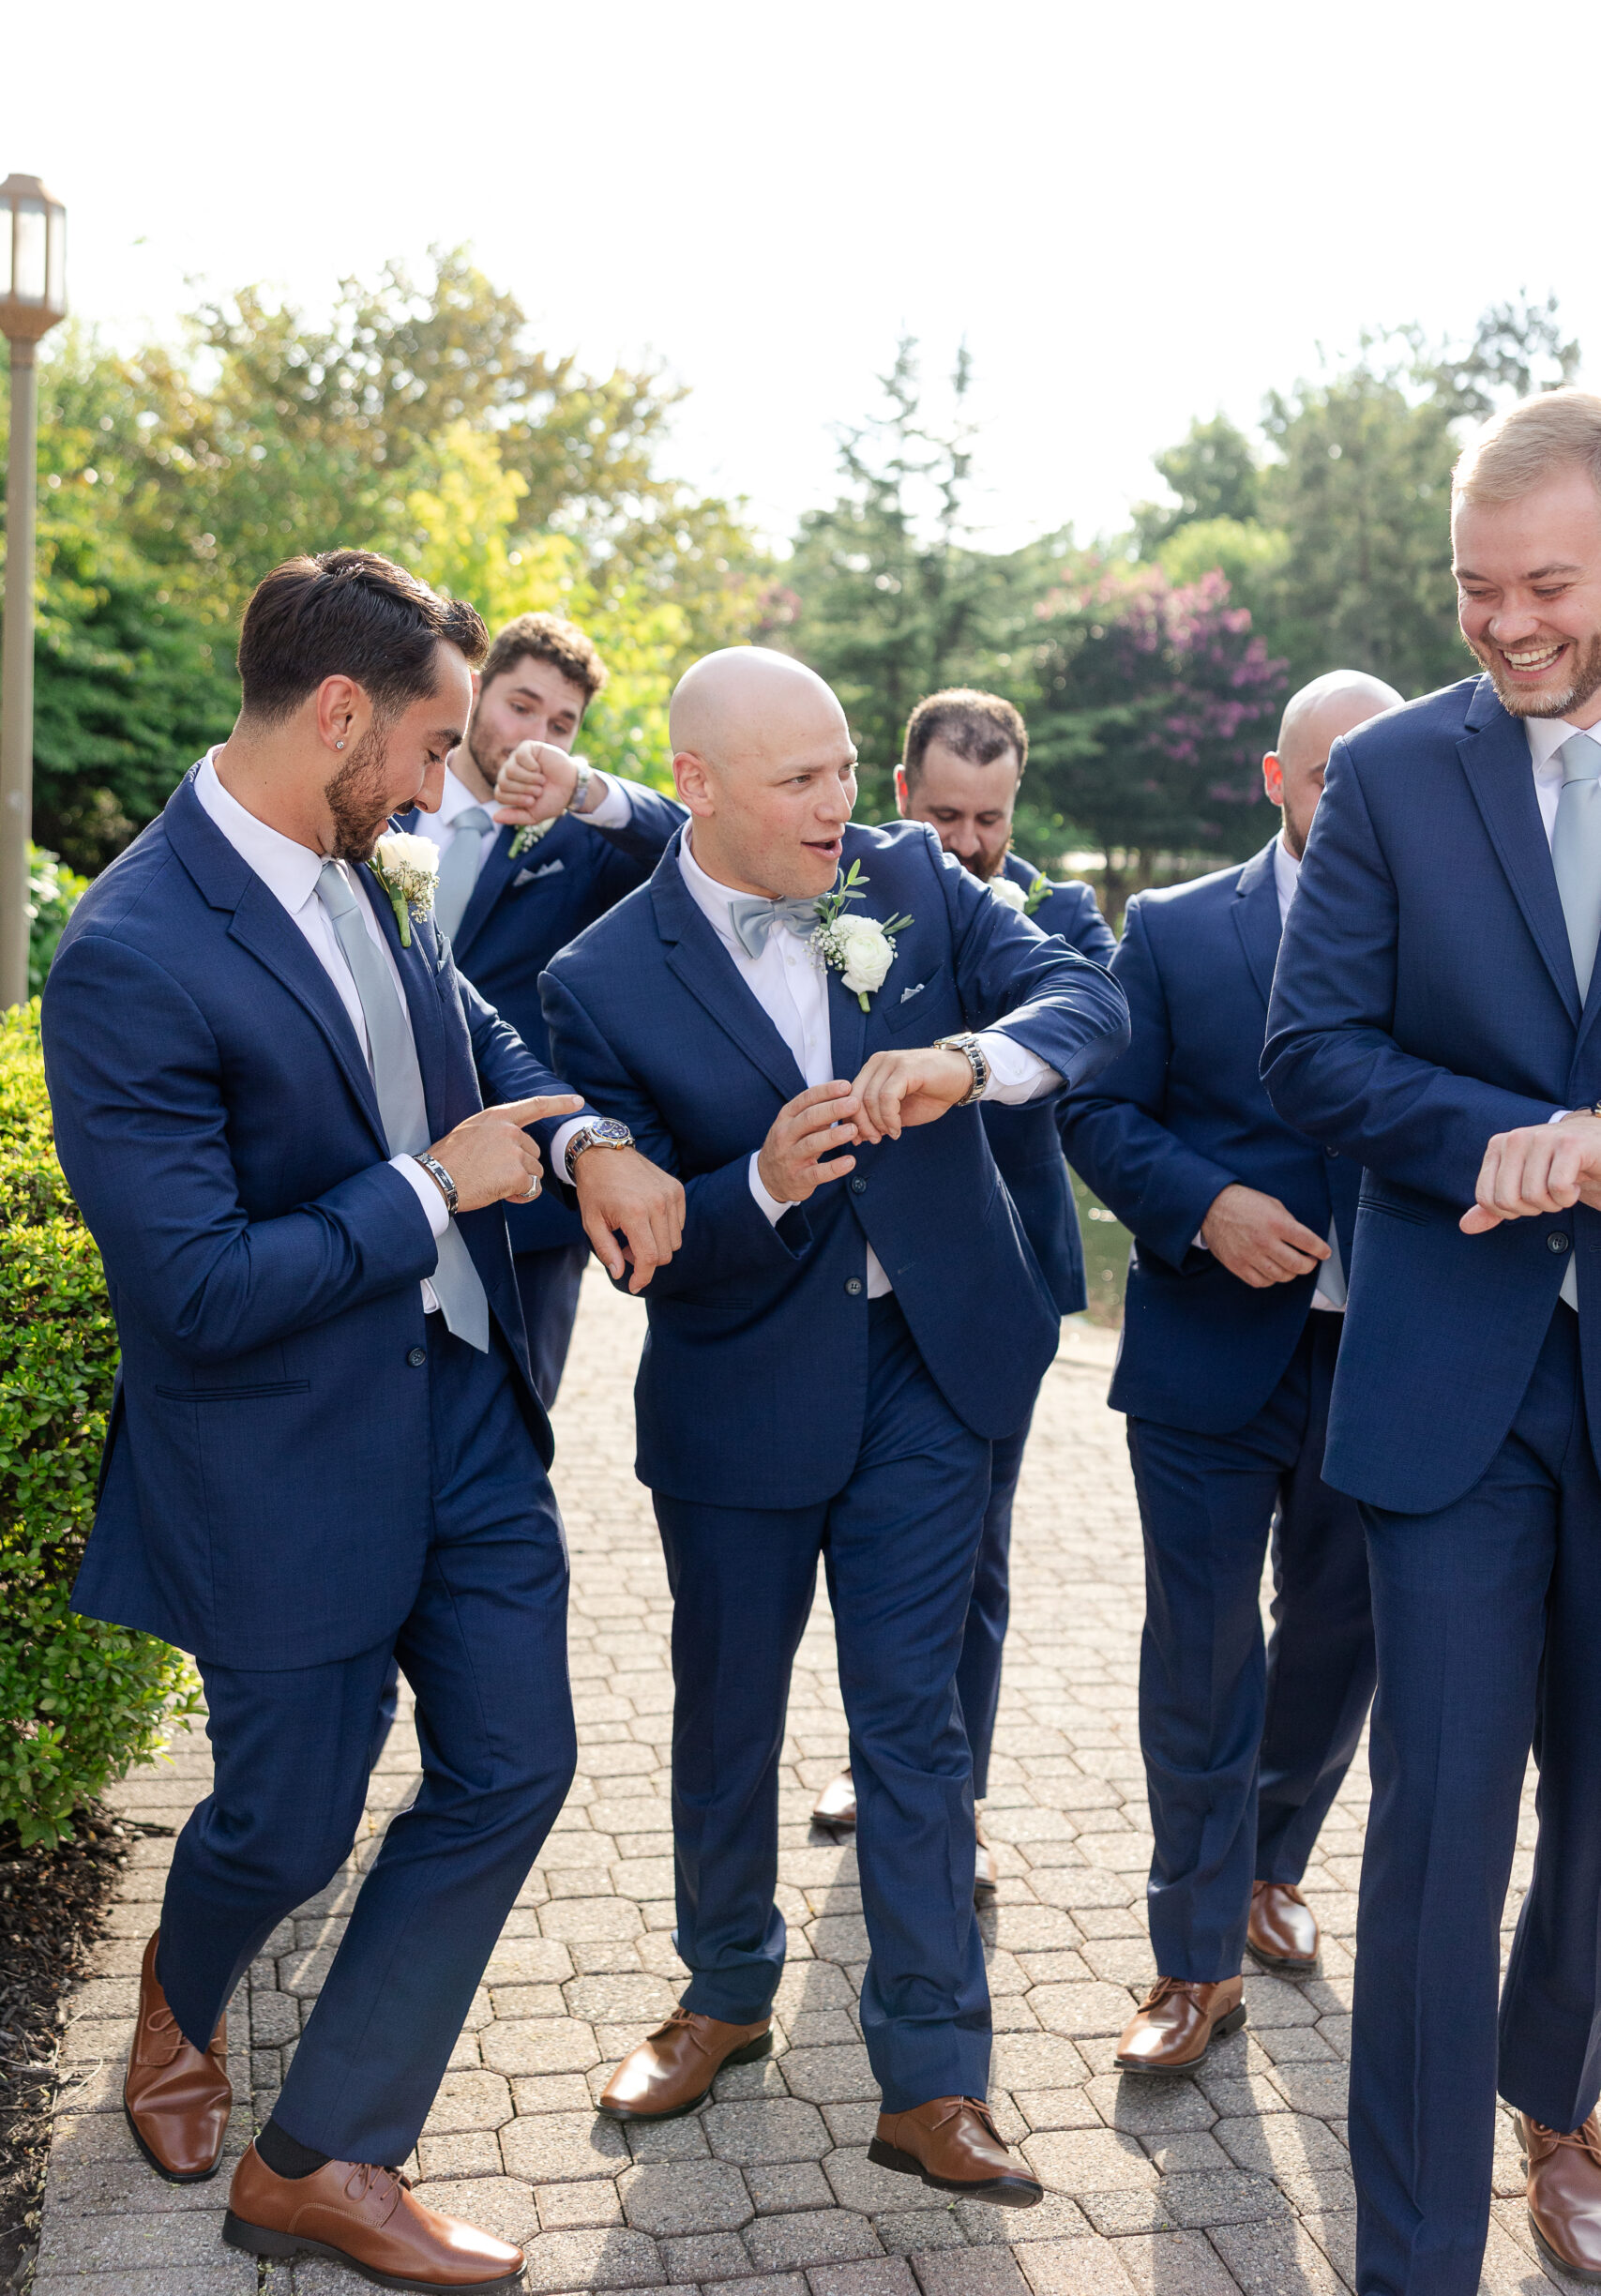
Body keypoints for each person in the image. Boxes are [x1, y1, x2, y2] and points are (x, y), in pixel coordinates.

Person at [41, 551, 684, 2294]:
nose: (443, 786)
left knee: (514, 1764)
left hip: (463, 1412)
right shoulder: (127, 953)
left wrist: (574, 1138)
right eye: (429, 745)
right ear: (340, 714)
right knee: (288, 1824)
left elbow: (460, 1021)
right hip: (276, 1466)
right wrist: (425, 1192)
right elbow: (192, 1291)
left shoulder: (369, 862)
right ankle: (181, 1997)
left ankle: (323, 2157)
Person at [539, 647, 1127, 2203]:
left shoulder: (917, 883)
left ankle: (933, 2077)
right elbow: (644, 1243)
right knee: (728, 1715)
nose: (838, 803)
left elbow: (1089, 1000)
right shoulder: (595, 982)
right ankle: (724, 1991)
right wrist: (760, 1187)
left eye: (845, 766)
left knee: (912, 1725)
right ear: (699, 785)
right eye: (798, 780)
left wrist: (968, 1060)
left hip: (930, 1366)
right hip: (736, 1386)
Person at [1262, 388, 1601, 2296]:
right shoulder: (1389, 773)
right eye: (1476, 590)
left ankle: (1560, 2096)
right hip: (1443, 1392)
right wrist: (1501, 1141)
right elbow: (1304, 1054)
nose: (1504, 623)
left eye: (1544, 582)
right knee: (1436, 1828)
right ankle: (1408, 2256)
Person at [1063, 670, 1399, 2077]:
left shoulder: (1444, 933)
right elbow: (1095, 1109)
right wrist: (1201, 1204)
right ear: (1278, 778)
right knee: (1198, 1658)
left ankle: (1269, 1865)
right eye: (1331, 779)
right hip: (1205, 1352)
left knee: (1338, 1640)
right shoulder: (1178, 928)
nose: (1355, 806)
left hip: (1386, 1357)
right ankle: (1187, 1961)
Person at [809, 689, 1115, 1892]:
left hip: (1004, 1282)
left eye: (990, 816)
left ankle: (961, 1794)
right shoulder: (844, 895)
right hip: (865, 1279)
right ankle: (877, 1754)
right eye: (944, 813)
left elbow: (1094, 1030)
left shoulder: (1058, 914)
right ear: (898, 794)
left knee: (976, 1551)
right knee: (867, 1536)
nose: (968, 840)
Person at [395, 612, 687, 1404]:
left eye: (561, 724)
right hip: (374, 1169)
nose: (536, 736)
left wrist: (587, 791)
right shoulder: (380, 802)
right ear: (476, 692)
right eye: (521, 707)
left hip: (527, 1195)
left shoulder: (581, 841)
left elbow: (697, 848)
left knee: (515, 1423)